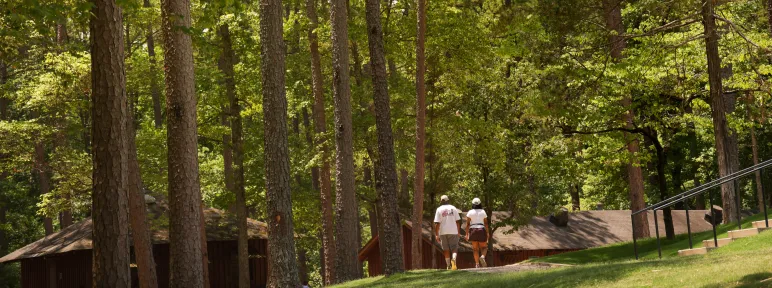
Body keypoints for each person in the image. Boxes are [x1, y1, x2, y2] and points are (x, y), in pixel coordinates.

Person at [434, 195, 461, 270]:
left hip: (443, 232)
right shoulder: (453, 208)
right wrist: (458, 232)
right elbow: (458, 221)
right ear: (448, 200)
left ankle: (448, 265)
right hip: (453, 231)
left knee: (446, 249)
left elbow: (437, 223)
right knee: (454, 248)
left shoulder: (439, 209)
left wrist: (436, 234)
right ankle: (454, 259)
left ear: (441, 201)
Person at [465, 197, 490, 268]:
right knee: (484, 247)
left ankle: (477, 264)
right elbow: (486, 224)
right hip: (481, 229)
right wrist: (488, 233)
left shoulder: (470, 212)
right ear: (480, 204)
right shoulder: (483, 212)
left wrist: (467, 234)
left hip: (473, 230)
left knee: (475, 249)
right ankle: (482, 256)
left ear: (472, 204)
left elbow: (467, 224)